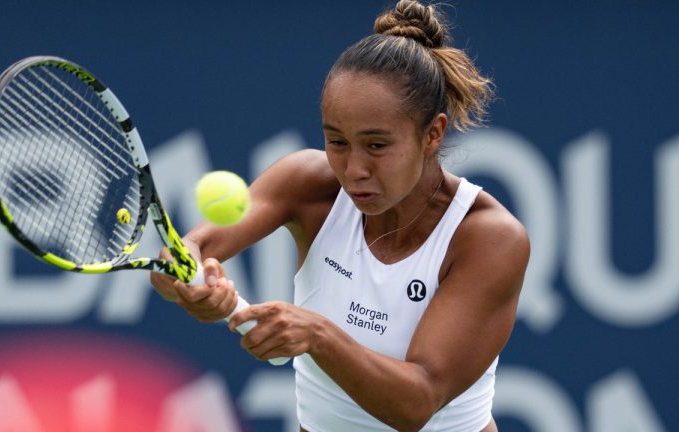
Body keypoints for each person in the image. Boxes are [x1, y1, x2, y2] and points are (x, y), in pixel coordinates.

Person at [151, 1, 529, 430]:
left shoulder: (488, 237)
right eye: (337, 142)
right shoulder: (308, 183)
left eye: (376, 146)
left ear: (433, 134)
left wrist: (317, 334)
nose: (353, 170)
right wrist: (187, 279)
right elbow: (185, 254)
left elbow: (417, 402)